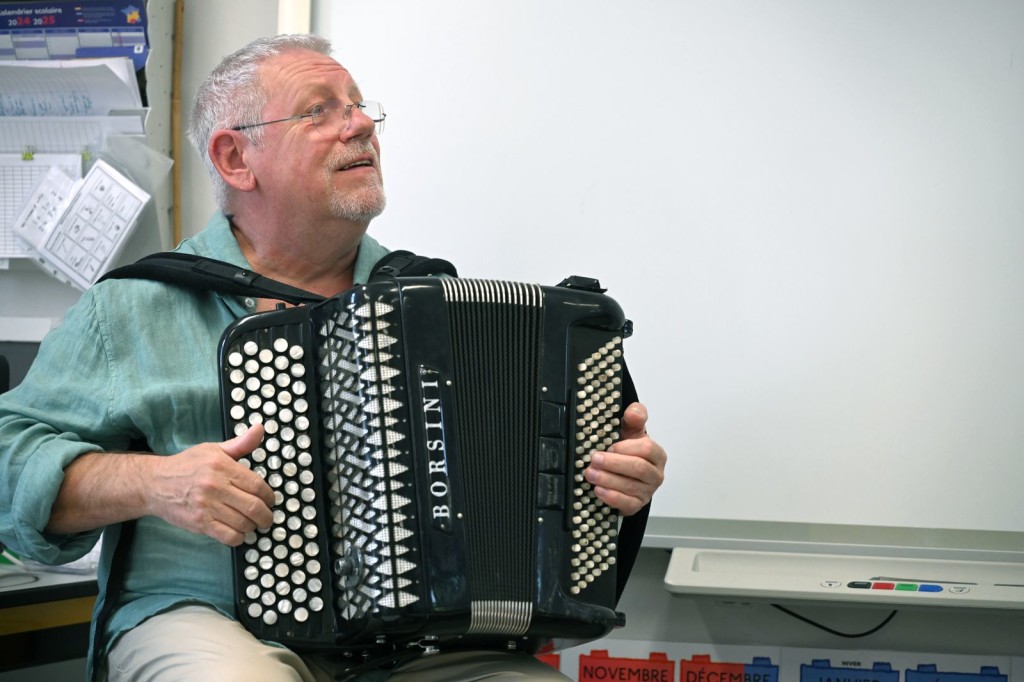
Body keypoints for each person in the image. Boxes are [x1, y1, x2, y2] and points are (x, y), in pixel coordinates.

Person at [0, 34, 667, 681]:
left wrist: (610, 481)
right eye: (319, 111)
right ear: (235, 159)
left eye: (358, 106)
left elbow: (523, 488)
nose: (361, 125)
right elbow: (8, 457)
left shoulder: (434, 308)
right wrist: (153, 483)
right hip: (210, 623)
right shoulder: (135, 307)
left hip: (423, 644)